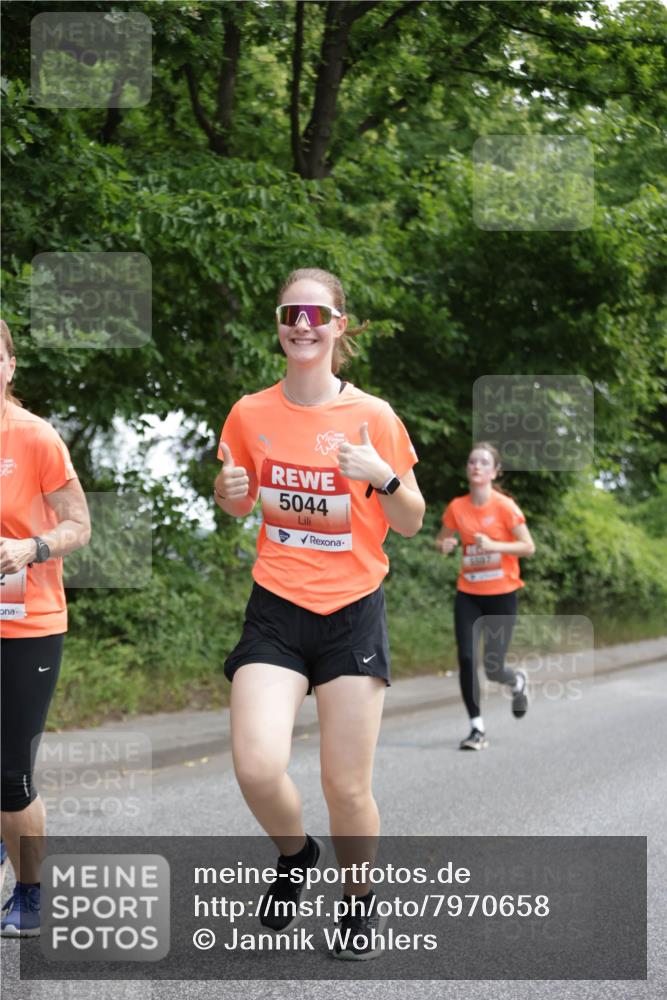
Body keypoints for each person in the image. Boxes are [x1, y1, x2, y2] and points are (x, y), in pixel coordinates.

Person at [215, 268, 424, 959]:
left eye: (316, 314)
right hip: (276, 605)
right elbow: (240, 501)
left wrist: (383, 476)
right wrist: (228, 488)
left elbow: (412, 519)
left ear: (339, 326)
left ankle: (358, 898)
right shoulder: (249, 413)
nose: (301, 324)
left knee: (344, 785)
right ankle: (296, 853)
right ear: (279, 325)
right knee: (255, 765)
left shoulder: (374, 416)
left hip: (350, 611)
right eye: (289, 313)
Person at [0, 319, 91, 935]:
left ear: (8, 366)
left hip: (25, 622)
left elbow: (80, 525)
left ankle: (30, 889)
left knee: (11, 773)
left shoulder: (34, 438)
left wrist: (32, 547)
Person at [435, 442, 535, 750]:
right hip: (469, 593)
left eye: (482, 462)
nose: (475, 466)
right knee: (466, 658)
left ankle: (516, 681)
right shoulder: (457, 507)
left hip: (502, 594)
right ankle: (476, 729)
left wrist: (495, 546)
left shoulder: (505, 507)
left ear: (494, 471)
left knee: (493, 667)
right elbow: (442, 539)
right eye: (471, 461)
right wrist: (444, 546)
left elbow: (528, 547)